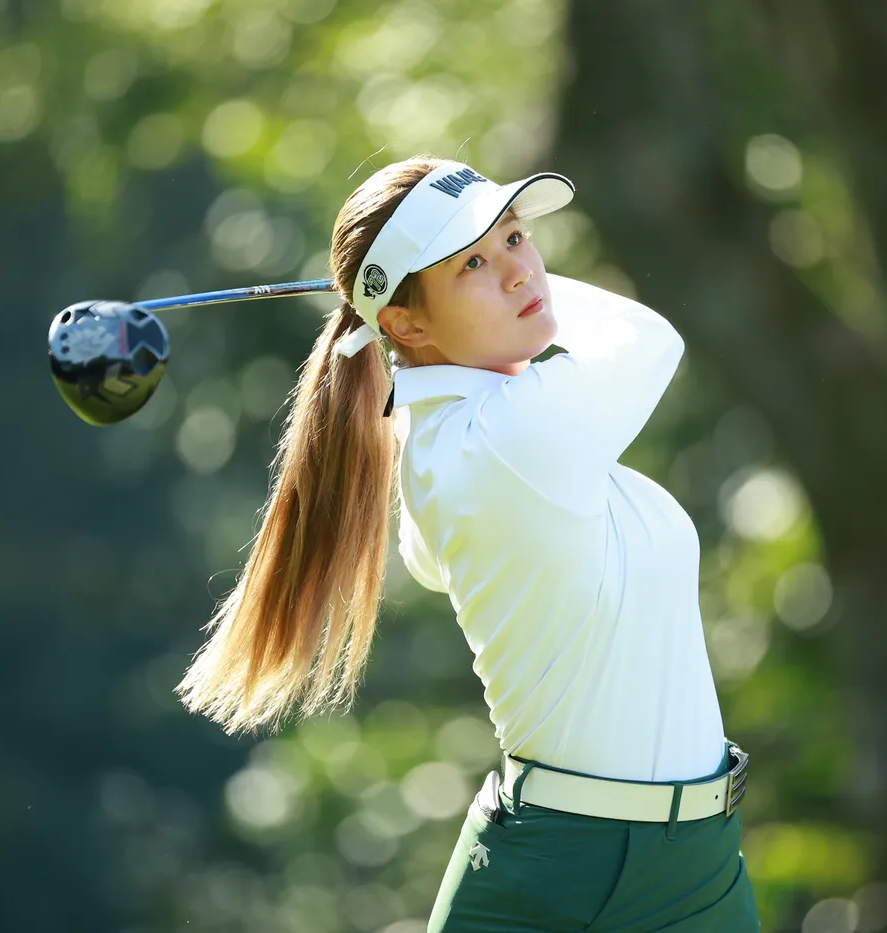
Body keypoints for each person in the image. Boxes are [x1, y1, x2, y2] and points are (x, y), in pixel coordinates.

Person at [175, 155, 760, 932]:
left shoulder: (453, 439)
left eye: (516, 237)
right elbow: (647, 337)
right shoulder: (507, 438)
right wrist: (392, 304)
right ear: (407, 325)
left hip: (696, 863)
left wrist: (410, 297)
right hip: (568, 876)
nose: (521, 271)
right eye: (474, 264)